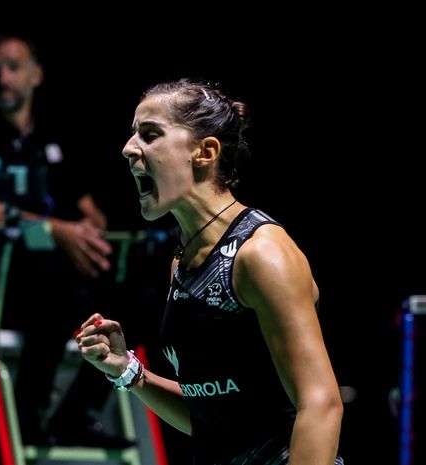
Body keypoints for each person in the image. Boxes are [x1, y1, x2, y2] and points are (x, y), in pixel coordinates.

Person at [76, 79, 344, 464]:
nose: (128, 148)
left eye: (150, 135)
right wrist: (130, 371)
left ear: (205, 152)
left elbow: (320, 404)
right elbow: (212, 416)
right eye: (133, 134)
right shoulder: (184, 261)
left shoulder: (262, 254)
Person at [0, 33, 127, 446]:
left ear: (36, 75)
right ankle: (29, 418)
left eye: (13, 67)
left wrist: (85, 232)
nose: (3, 77)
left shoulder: (53, 142)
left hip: (50, 279)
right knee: (54, 298)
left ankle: (75, 416)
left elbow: (89, 214)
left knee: (125, 302)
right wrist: (52, 229)